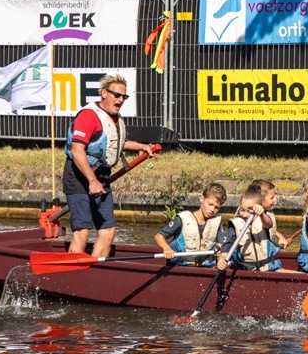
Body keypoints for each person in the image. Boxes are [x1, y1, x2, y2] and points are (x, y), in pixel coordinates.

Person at [63, 74, 158, 257]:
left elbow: (115, 143)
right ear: (104, 93)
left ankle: (93, 272)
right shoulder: (89, 116)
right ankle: (71, 275)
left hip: (102, 176)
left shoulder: (115, 118)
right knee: (82, 231)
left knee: (108, 231)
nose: (120, 100)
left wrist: (143, 147)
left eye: (124, 97)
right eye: (116, 95)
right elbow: (77, 151)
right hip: (79, 176)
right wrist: (92, 180)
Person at [154, 182, 227, 266]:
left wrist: (221, 258)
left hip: (205, 269)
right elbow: (159, 236)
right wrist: (166, 248)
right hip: (181, 267)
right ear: (202, 199)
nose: (212, 209)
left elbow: (220, 245)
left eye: (216, 207)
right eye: (210, 204)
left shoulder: (217, 222)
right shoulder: (183, 219)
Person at [216, 186, 282, 271]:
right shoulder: (235, 226)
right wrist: (221, 260)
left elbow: (268, 224)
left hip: (269, 271)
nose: (244, 214)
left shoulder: (263, 220)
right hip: (247, 273)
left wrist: (262, 214)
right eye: (242, 210)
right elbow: (225, 251)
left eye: (249, 211)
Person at [248, 179, 289, 248]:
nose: (275, 200)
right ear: (259, 199)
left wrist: (280, 236)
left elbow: (268, 228)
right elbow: (266, 225)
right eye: (271, 198)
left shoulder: (267, 210)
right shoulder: (250, 214)